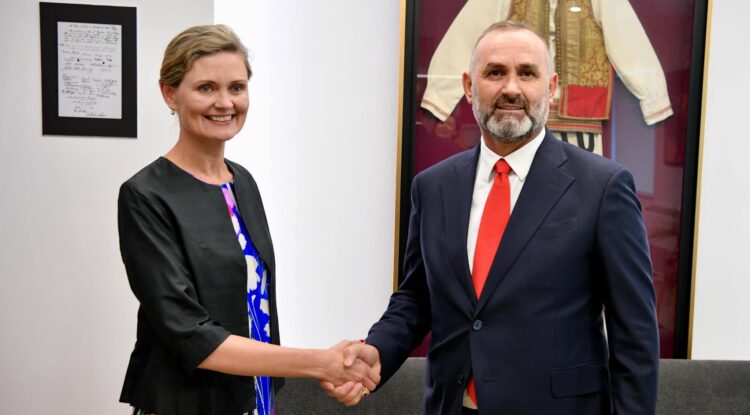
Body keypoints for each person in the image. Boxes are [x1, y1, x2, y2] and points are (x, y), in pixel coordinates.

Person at [325, 21, 658, 414]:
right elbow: (417, 297)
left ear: (551, 87)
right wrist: (377, 351)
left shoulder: (603, 187)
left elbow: (634, 332)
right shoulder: (432, 187)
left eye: (527, 74)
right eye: (495, 72)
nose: (511, 88)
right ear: (469, 86)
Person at [117, 24, 378, 415]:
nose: (225, 102)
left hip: (255, 399)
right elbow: (189, 332)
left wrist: (327, 365)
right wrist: (319, 363)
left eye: (236, 87)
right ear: (170, 93)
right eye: (206, 88)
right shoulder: (145, 195)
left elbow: (256, 309)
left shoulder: (243, 182)